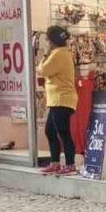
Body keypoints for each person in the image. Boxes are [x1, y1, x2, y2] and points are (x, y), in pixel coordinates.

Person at [38, 25, 77, 174]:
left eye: (47, 39)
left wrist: (45, 55)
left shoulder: (58, 54)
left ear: (52, 40)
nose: (46, 42)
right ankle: (55, 162)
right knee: (50, 131)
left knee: (63, 132)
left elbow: (43, 70)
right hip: (57, 100)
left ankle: (70, 164)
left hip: (62, 99)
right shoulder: (61, 53)